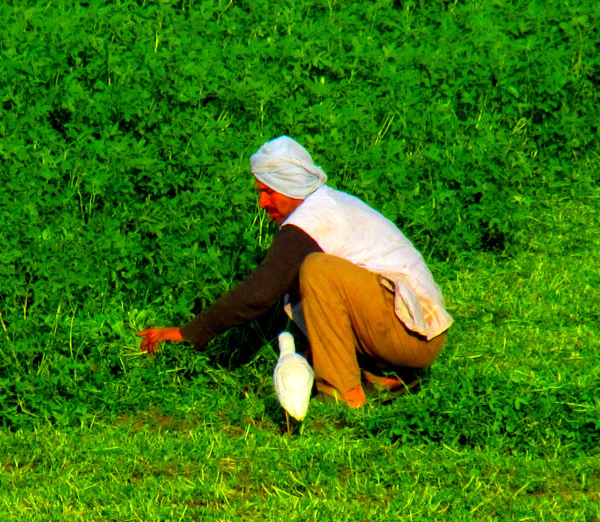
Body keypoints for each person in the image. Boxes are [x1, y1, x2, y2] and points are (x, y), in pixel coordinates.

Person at [137, 136, 452, 408]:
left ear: (289, 188)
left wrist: (190, 332)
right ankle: (385, 377)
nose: (262, 203)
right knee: (309, 274)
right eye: (259, 192)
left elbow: (261, 291)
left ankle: (343, 395)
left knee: (317, 269)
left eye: (268, 192)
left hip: (411, 335)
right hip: (410, 331)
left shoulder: (314, 218)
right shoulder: (326, 205)